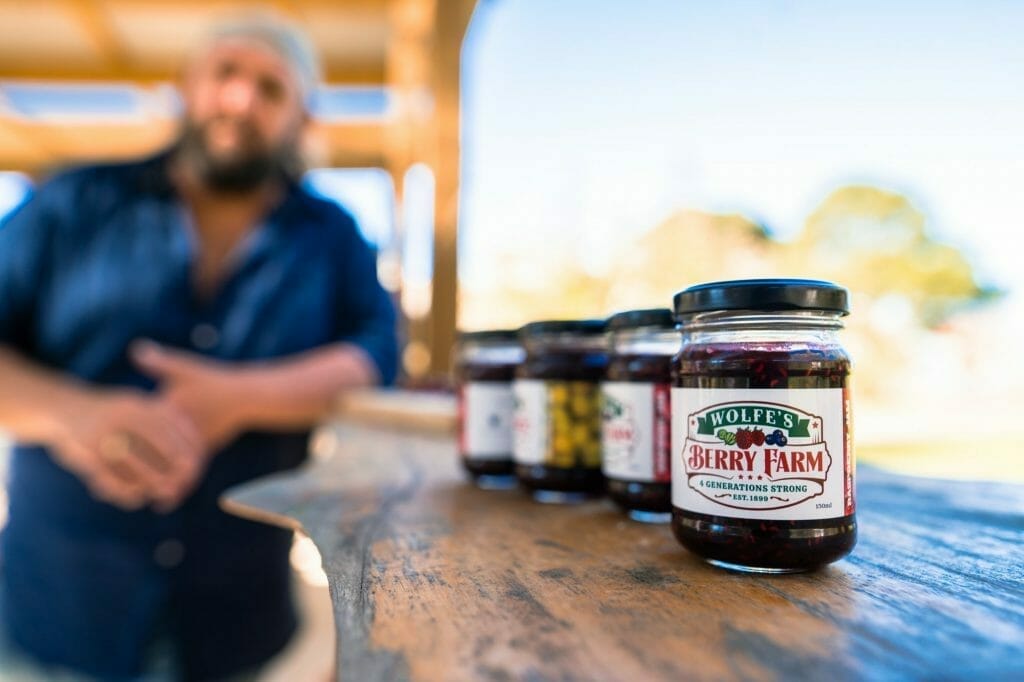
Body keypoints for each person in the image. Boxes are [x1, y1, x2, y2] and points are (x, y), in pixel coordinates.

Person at [0, 13, 398, 682]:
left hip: (239, 617)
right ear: (186, 88)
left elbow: (376, 351)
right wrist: (76, 415)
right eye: (226, 74)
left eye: (272, 90)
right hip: (59, 607)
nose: (241, 100)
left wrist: (239, 401)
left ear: (302, 119)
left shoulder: (330, 234)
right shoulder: (72, 201)